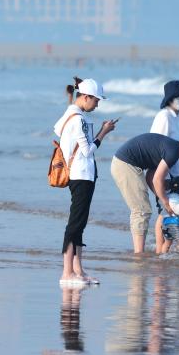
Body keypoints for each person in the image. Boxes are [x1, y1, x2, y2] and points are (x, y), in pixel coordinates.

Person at [53, 78, 117, 286]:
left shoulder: (70, 115)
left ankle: (78, 270)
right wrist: (103, 133)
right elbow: (88, 150)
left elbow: (58, 131)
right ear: (85, 97)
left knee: (79, 224)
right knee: (75, 224)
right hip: (81, 174)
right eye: (96, 100)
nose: (97, 104)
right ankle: (66, 272)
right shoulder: (78, 119)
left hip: (80, 174)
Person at [110, 132, 179, 254]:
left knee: (143, 209)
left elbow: (151, 175)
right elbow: (157, 179)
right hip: (125, 164)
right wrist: (166, 202)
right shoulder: (172, 152)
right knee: (141, 210)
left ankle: (142, 251)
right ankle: (139, 254)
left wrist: (163, 197)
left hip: (127, 163)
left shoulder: (172, 149)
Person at [150, 80, 179, 252]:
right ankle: (162, 248)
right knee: (168, 210)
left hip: (176, 171)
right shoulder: (164, 116)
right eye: (177, 97)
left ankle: (166, 246)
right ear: (169, 99)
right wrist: (160, 176)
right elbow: (155, 144)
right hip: (162, 173)